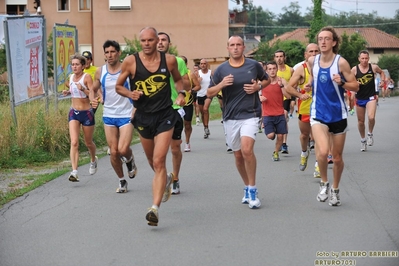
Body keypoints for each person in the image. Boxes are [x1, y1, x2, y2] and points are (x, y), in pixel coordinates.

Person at [115, 27, 185, 226]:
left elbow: (179, 80)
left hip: (165, 115)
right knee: (152, 161)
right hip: (143, 117)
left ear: (157, 41)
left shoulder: (169, 60)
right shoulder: (131, 61)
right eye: (143, 40)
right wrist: (130, 94)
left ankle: (154, 208)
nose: (146, 44)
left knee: (159, 159)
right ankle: (165, 180)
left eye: (150, 40)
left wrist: (181, 94)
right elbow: (118, 86)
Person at [207, 35, 269, 209]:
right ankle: (247, 185)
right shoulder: (221, 70)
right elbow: (210, 92)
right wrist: (222, 85)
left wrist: (258, 87)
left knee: (247, 150)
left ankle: (253, 188)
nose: (235, 48)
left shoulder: (253, 65)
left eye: (238, 45)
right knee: (238, 155)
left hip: (251, 114)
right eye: (232, 45)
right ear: (227, 48)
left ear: (243, 47)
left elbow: (267, 79)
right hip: (230, 117)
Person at [306, 26, 358, 206]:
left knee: (336, 158)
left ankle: (335, 189)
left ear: (334, 42)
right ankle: (324, 183)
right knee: (321, 153)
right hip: (318, 112)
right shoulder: (312, 61)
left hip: (338, 113)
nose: (323, 41)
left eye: (327, 38)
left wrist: (342, 82)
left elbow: (355, 86)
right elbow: (313, 79)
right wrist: (308, 85)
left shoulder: (341, 63)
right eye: (320, 39)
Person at [91, 40, 137, 193]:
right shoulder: (100, 71)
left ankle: (130, 160)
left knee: (123, 149)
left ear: (119, 53)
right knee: (114, 151)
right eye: (106, 52)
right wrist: (93, 97)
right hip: (109, 114)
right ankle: (122, 180)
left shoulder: (127, 69)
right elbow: (94, 88)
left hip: (126, 113)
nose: (109, 55)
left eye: (112, 52)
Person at [157, 32, 190, 195]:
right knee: (159, 150)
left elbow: (188, 84)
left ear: (169, 43)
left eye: (164, 40)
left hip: (174, 110)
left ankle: (175, 178)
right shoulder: (147, 63)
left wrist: (180, 91)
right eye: (158, 40)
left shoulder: (176, 61)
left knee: (175, 148)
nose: (160, 43)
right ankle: (162, 179)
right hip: (155, 111)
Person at [62, 53, 98, 182]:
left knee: (88, 142)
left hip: (87, 113)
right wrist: (68, 92)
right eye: (72, 64)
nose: (74, 67)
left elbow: (92, 95)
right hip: (74, 112)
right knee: (74, 142)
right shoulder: (71, 77)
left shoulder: (87, 77)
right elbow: (72, 91)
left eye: (77, 64)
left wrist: (83, 88)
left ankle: (93, 159)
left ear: (83, 66)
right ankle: (74, 172)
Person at [286, 43, 319, 171]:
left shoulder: (326, 67)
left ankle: (318, 165)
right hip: (305, 108)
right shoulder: (301, 69)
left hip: (321, 108)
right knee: (305, 135)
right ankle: (304, 153)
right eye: (311, 51)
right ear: (306, 55)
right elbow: (288, 87)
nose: (314, 54)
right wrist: (299, 95)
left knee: (318, 137)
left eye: (316, 51)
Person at [351, 50, 386, 152]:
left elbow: (382, 72)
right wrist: (355, 83)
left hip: (371, 97)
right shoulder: (354, 69)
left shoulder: (373, 67)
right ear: (359, 59)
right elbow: (349, 81)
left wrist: (382, 81)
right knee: (361, 122)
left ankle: (370, 134)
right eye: (362, 58)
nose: (364, 60)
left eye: (366, 58)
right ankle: (363, 140)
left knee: (371, 117)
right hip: (360, 98)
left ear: (369, 59)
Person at [260, 61, 291, 162]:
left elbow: (288, 96)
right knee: (270, 136)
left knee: (281, 136)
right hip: (267, 114)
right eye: (270, 69)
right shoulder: (262, 83)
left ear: (277, 69)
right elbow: (253, 94)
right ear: (266, 70)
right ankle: (271, 132)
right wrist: (259, 97)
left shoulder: (281, 81)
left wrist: (282, 86)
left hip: (279, 113)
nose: (272, 71)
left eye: (274, 68)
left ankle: (276, 152)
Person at [275, 49, 294, 154]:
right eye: (277, 56)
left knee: (284, 117)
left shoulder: (290, 70)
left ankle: (284, 144)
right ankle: (279, 138)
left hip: (285, 97)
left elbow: (293, 85)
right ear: (274, 58)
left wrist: (293, 99)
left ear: (284, 57)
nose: (279, 58)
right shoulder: (272, 70)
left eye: (281, 56)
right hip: (274, 99)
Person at [181, 56, 200, 152]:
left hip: (187, 102)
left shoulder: (190, 74)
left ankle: (187, 142)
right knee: (173, 124)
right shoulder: (172, 73)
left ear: (185, 64)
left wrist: (191, 90)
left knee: (187, 123)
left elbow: (198, 86)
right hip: (175, 103)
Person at [197, 59, 212, 138]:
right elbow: (194, 84)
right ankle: (205, 128)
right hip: (200, 94)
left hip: (208, 94)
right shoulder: (197, 73)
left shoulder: (210, 73)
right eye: (201, 64)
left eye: (204, 63)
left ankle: (206, 127)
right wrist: (197, 81)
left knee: (205, 109)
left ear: (207, 64)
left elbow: (214, 82)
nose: (203, 65)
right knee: (202, 112)